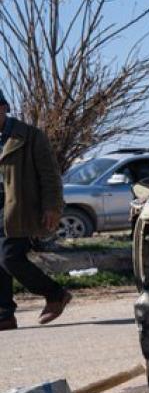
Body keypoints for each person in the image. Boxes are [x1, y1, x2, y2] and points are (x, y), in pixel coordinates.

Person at [0, 91, 71, 329]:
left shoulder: (29, 136)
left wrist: (52, 206)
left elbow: (50, 175)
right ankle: (4, 315)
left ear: (3, 108)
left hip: (18, 209)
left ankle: (55, 294)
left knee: (9, 258)